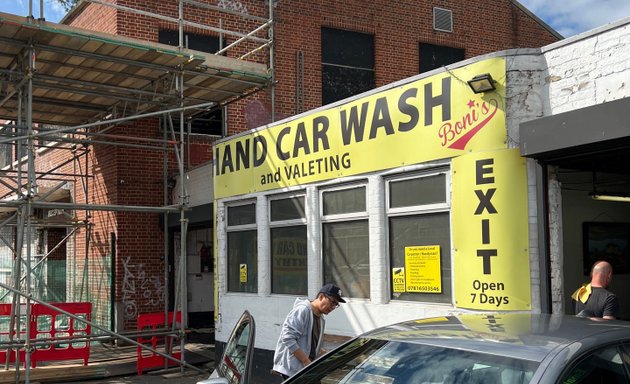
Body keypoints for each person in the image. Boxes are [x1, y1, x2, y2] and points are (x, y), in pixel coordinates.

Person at [272, 283, 346, 379]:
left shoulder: (320, 318)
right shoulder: (303, 310)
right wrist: (305, 361)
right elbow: (287, 338)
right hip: (293, 371)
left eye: (336, 304)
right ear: (321, 296)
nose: (333, 307)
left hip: (306, 370)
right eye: (332, 302)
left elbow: (311, 345)